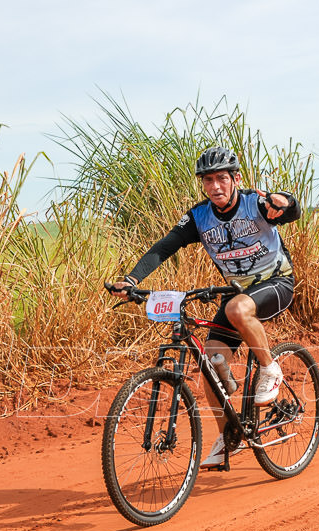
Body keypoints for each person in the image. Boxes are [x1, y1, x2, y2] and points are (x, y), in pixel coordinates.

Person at [108, 146, 301, 467]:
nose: (215, 186)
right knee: (211, 363)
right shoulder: (199, 217)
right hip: (235, 290)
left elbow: (289, 210)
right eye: (208, 180)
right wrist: (130, 279)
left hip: (276, 283)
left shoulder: (256, 203)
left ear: (235, 179)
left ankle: (270, 370)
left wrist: (286, 201)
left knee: (239, 310)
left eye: (221, 179)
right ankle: (230, 436)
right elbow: (165, 246)